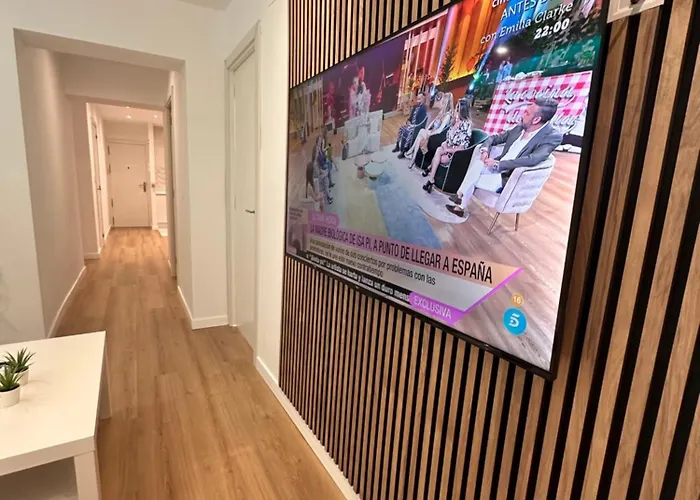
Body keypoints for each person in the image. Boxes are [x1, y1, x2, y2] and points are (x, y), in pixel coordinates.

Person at [445, 98, 563, 219]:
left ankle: (459, 199)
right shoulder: (521, 127)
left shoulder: (552, 137)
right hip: (495, 168)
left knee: (471, 176)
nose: (523, 115)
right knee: (477, 165)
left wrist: (498, 164)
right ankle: (459, 202)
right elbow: (494, 138)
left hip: (509, 177)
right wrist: (485, 150)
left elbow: (533, 159)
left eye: (527, 113)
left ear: (536, 119)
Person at [422, 98, 473, 193]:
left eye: (457, 109)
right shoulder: (455, 121)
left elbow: (461, 148)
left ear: (462, 111)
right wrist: (445, 145)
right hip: (448, 148)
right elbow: (448, 139)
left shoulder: (466, 125)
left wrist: (447, 149)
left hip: (455, 154)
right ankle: (431, 180)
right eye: (456, 108)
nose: (455, 110)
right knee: (438, 150)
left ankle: (430, 170)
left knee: (438, 158)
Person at [402, 92, 454, 160]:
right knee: (421, 133)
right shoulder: (442, 111)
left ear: (446, 103)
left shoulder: (447, 115)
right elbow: (433, 121)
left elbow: (439, 131)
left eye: (443, 101)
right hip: (433, 131)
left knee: (421, 133)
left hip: (437, 136)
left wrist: (429, 134)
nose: (441, 103)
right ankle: (412, 155)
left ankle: (411, 153)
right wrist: (427, 129)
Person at [393, 92, 428, 156]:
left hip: (417, 127)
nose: (418, 99)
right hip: (411, 125)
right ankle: (397, 145)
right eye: (418, 98)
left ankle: (404, 150)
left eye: (420, 98)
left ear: (423, 99)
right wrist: (408, 121)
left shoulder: (424, 108)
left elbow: (421, 121)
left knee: (409, 132)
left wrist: (413, 126)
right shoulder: (415, 106)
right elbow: (410, 117)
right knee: (401, 128)